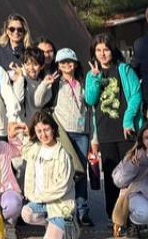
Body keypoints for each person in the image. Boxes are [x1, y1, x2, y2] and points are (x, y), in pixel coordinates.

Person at [84, 33, 142, 223]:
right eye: (98, 50)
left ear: (112, 50)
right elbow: (90, 100)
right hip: (105, 131)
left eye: (106, 49)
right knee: (110, 177)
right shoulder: (91, 74)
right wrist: (94, 78)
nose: (102, 54)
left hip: (126, 131)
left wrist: (128, 120)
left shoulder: (123, 69)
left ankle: (133, 215)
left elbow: (136, 95)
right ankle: (113, 217)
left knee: (130, 175)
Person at [50, 48, 93, 227]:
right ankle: (66, 210)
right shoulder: (55, 83)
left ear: (75, 63)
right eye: (62, 62)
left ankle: (82, 211)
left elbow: (89, 109)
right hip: (63, 132)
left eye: (70, 61)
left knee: (81, 173)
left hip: (82, 131)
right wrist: (46, 85)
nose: (67, 65)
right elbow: (40, 102)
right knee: (65, 172)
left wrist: (92, 137)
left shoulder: (82, 82)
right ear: (58, 66)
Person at [18, 112, 77, 239]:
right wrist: (26, 133)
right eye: (39, 131)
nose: (43, 135)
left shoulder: (62, 155)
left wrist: (39, 197)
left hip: (60, 205)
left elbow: (62, 187)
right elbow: (24, 150)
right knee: (26, 213)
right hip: (42, 203)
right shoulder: (35, 148)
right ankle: (51, 224)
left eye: (46, 130)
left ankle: (69, 225)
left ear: (53, 129)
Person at [19, 47, 56, 123]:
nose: (31, 68)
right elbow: (17, 100)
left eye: (35, 64)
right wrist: (20, 78)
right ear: (23, 65)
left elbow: (37, 103)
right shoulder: (19, 78)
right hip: (20, 125)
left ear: (42, 66)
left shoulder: (46, 85)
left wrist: (44, 84)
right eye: (28, 64)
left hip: (35, 126)